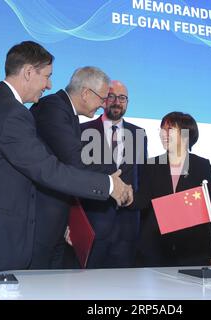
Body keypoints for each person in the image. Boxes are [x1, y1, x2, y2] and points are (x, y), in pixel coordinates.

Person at [0, 41, 131, 272]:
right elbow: (47, 169)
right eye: (47, 76)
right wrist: (108, 184)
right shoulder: (11, 113)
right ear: (27, 72)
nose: (49, 84)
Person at [29, 66, 114, 269]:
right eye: (102, 99)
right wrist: (111, 181)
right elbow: (74, 162)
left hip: (56, 222)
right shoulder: (53, 107)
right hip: (40, 222)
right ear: (85, 93)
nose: (104, 106)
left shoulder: (68, 113)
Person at [132, 112, 211, 267]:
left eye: (169, 129)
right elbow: (142, 201)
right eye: (162, 129)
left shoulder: (201, 165)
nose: (163, 134)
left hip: (192, 251)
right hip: (155, 249)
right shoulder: (150, 164)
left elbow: (209, 208)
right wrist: (126, 196)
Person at [79, 80, 147, 268]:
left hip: (127, 230)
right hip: (93, 227)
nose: (117, 101)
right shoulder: (83, 131)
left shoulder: (139, 134)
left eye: (122, 98)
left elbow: (140, 178)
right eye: (112, 96)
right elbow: (75, 179)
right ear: (103, 100)